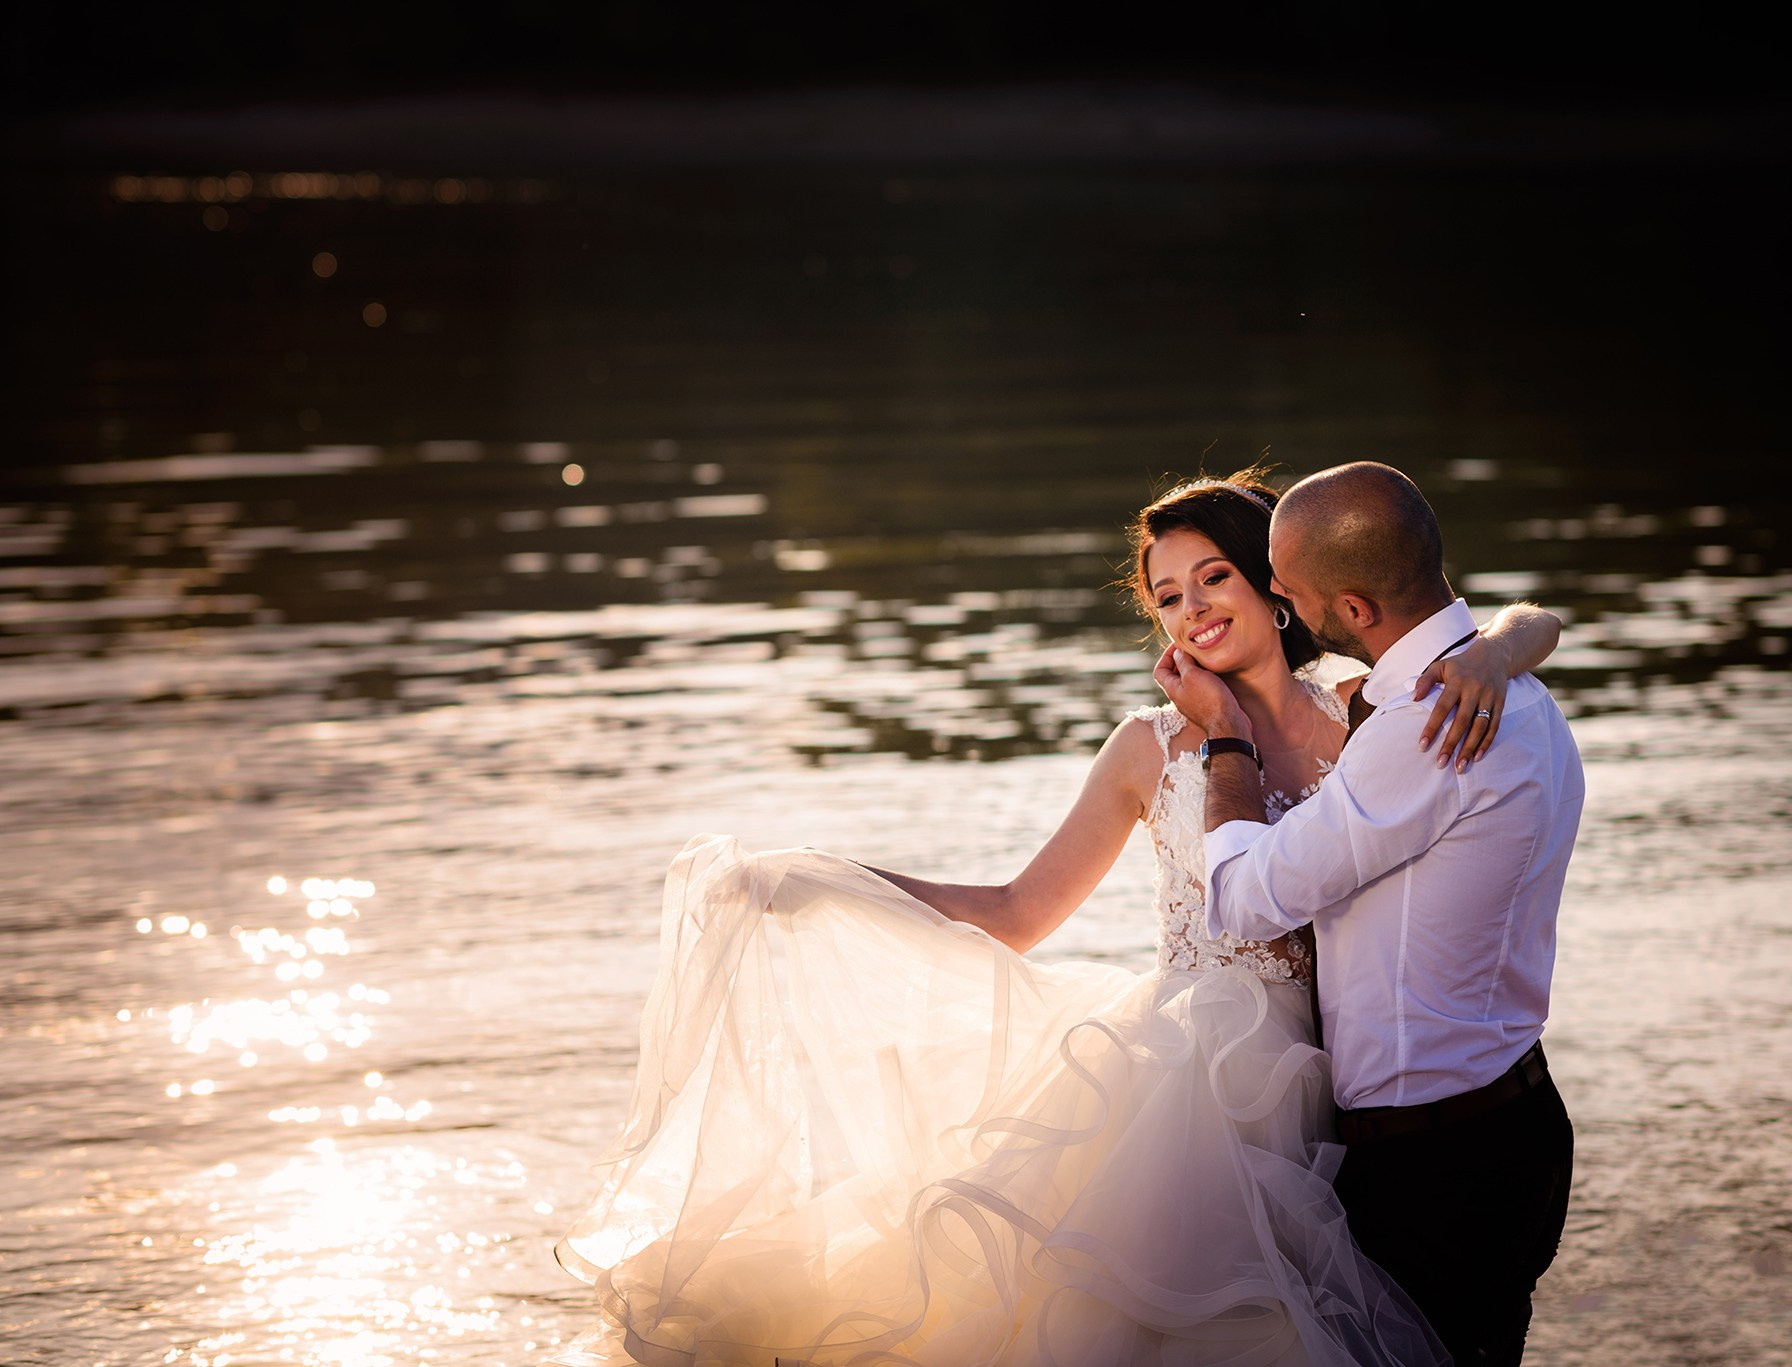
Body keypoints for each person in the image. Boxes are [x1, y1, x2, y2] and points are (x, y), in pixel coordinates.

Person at [552, 470, 1563, 1367]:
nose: (1190, 609)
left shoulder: (1373, 712)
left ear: (1280, 583)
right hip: (1198, 1103)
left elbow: (1469, 624)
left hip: (1355, 1108)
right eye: (1166, 596)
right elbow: (1017, 910)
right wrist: (831, 882)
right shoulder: (1148, 746)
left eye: (1212, 576)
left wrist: (1507, 644)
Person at [1156, 462, 1584, 1367]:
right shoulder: (1510, 693)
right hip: (1515, 1113)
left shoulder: (1420, 727)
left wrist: (1224, 736)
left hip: (1437, 1159)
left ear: (1352, 610)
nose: (1277, 596)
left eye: (1290, 586)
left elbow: (1242, 895)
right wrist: (1505, 640)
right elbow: (1538, 620)